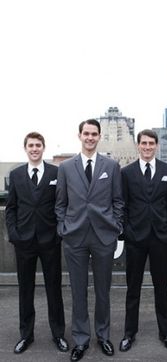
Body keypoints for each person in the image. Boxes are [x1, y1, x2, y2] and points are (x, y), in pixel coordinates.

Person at [55, 119, 124, 361]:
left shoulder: (111, 166)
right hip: (74, 237)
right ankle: (81, 340)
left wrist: (115, 226)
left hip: (104, 236)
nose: (90, 137)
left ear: (99, 136)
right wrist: (63, 227)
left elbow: (118, 201)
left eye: (94, 134)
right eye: (86, 133)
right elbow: (60, 203)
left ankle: (103, 336)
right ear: (79, 135)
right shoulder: (65, 168)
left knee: (103, 290)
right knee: (78, 291)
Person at [5, 132, 68, 354]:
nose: (34, 148)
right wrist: (13, 233)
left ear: (43, 148)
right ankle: (26, 335)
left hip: (50, 240)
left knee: (54, 289)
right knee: (25, 290)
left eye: (38, 145)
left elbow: (63, 203)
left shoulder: (56, 173)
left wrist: (59, 232)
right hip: (24, 242)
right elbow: (11, 208)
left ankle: (58, 334)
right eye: (31, 145)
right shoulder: (16, 175)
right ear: (26, 148)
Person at [119, 129, 167, 353]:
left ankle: (166, 333)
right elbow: (122, 205)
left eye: (151, 143)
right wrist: (127, 230)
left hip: (160, 239)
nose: (147, 147)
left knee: (161, 288)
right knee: (132, 289)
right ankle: (129, 333)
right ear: (138, 145)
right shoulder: (126, 173)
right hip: (135, 239)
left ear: (157, 146)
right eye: (143, 143)